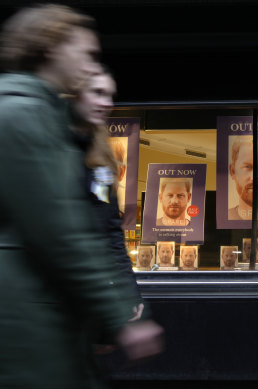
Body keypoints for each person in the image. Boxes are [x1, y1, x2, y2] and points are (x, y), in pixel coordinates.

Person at [0, 4, 163, 388]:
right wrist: (118, 315)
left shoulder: (40, 118)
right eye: (87, 54)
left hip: (47, 311)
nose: (93, 66)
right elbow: (59, 232)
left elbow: (99, 234)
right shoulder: (24, 116)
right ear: (50, 49)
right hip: (28, 314)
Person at [74, 68, 145, 321]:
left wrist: (129, 291)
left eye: (110, 95)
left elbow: (111, 232)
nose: (108, 103)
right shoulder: (47, 147)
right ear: (74, 94)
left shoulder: (100, 161)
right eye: (98, 93)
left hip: (87, 294)